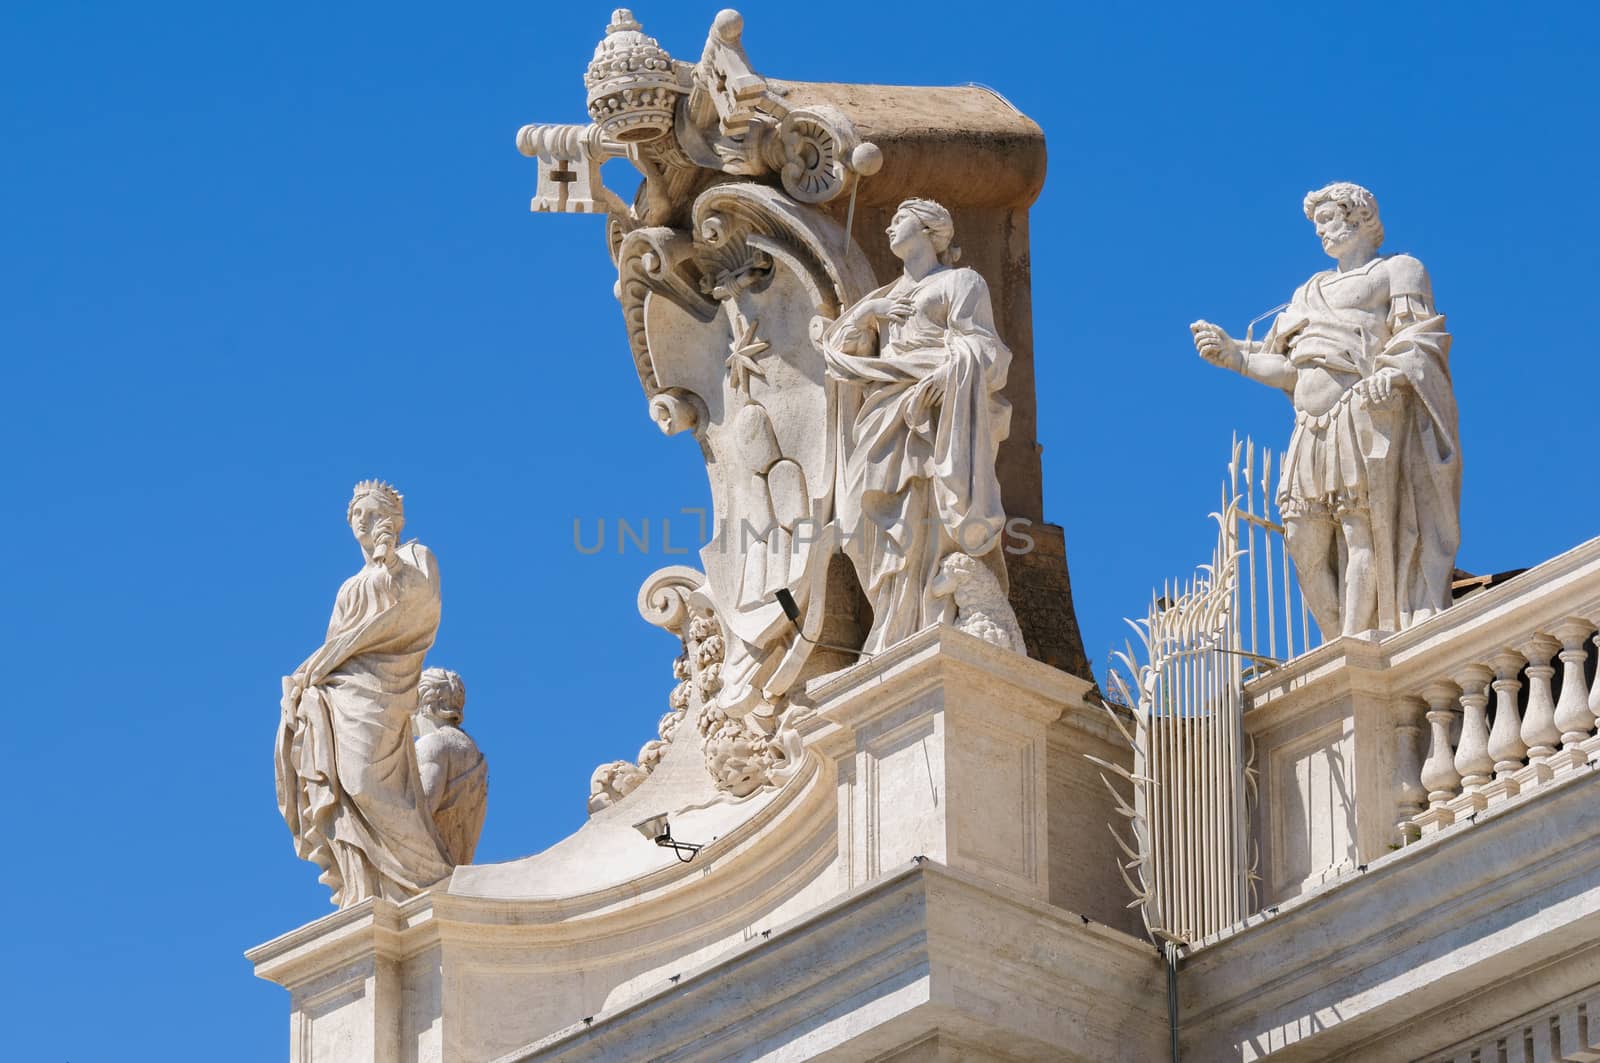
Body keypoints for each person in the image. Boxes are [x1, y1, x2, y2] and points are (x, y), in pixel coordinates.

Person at [1191, 182, 1460, 636]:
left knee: (1362, 530)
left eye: (1326, 221)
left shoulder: (1399, 270)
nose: (1321, 233)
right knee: (1301, 537)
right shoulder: (1308, 292)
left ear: (1356, 216)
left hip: (1360, 413)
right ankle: (1338, 639)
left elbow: (1420, 339)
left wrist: (1389, 375)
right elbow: (1288, 368)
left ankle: (1356, 641)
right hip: (1309, 426)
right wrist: (1235, 357)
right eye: (1316, 226)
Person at [819, 198, 1021, 653]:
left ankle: (926, 620)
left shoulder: (959, 282)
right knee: (861, 518)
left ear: (931, 229)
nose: (890, 226)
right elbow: (841, 356)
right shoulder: (884, 297)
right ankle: (891, 621)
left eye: (900, 219)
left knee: (922, 519)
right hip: (884, 411)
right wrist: (868, 316)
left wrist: (947, 374)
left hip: (934, 415)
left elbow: (989, 353)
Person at [275, 481, 453, 907]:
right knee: (345, 785)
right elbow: (336, 643)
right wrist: (309, 676)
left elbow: (424, 611)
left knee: (365, 783)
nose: (362, 521)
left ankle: (432, 878)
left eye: (371, 513)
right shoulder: (347, 586)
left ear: (394, 517)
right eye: (356, 515)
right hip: (342, 692)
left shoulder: (415, 556)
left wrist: (391, 566)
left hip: (384, 689)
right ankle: (365, 884)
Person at [414, 668, 488, 865]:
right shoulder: (474, 752)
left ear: (425, 706)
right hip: (459, 867)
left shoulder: (432, 744)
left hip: (428, 869)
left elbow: (419, 815)